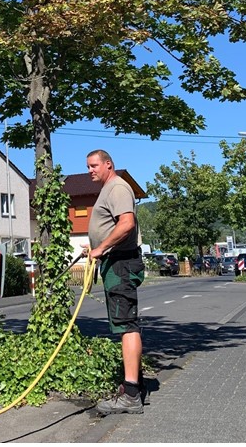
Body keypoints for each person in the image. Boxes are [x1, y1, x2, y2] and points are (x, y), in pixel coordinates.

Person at [84, 149, 145, 415]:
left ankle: (131, 395)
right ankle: (132, 384)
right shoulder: (108, 188)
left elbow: (127, 224)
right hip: (114, 263)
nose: (90, 171)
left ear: (108, 164)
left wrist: (101, 248)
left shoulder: (118, 187)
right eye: (88, 167)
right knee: (124, 324)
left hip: (120, 263)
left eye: (94, 165)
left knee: (127, 325)